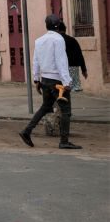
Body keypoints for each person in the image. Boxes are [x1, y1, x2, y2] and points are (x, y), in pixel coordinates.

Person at [19, 15, 80, 150]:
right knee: (66, 111)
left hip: (45, 79)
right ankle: (64, 141)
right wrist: (66, 81)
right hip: (57, 81)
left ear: (46, 26)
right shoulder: (58, 39)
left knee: (46, 107)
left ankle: (27, 131)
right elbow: (61, 61)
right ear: (58, 25)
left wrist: (36, 79)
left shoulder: (39, 40)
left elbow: (35, 61)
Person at [56, 21, 87, 93]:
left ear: (57, 30)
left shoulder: (56, 41)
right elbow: (80, 55)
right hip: (73, 67)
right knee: (72, 89)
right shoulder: (73, 40)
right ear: (65, 29)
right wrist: (84, 70)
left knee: (62, 90)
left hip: (61, 69)